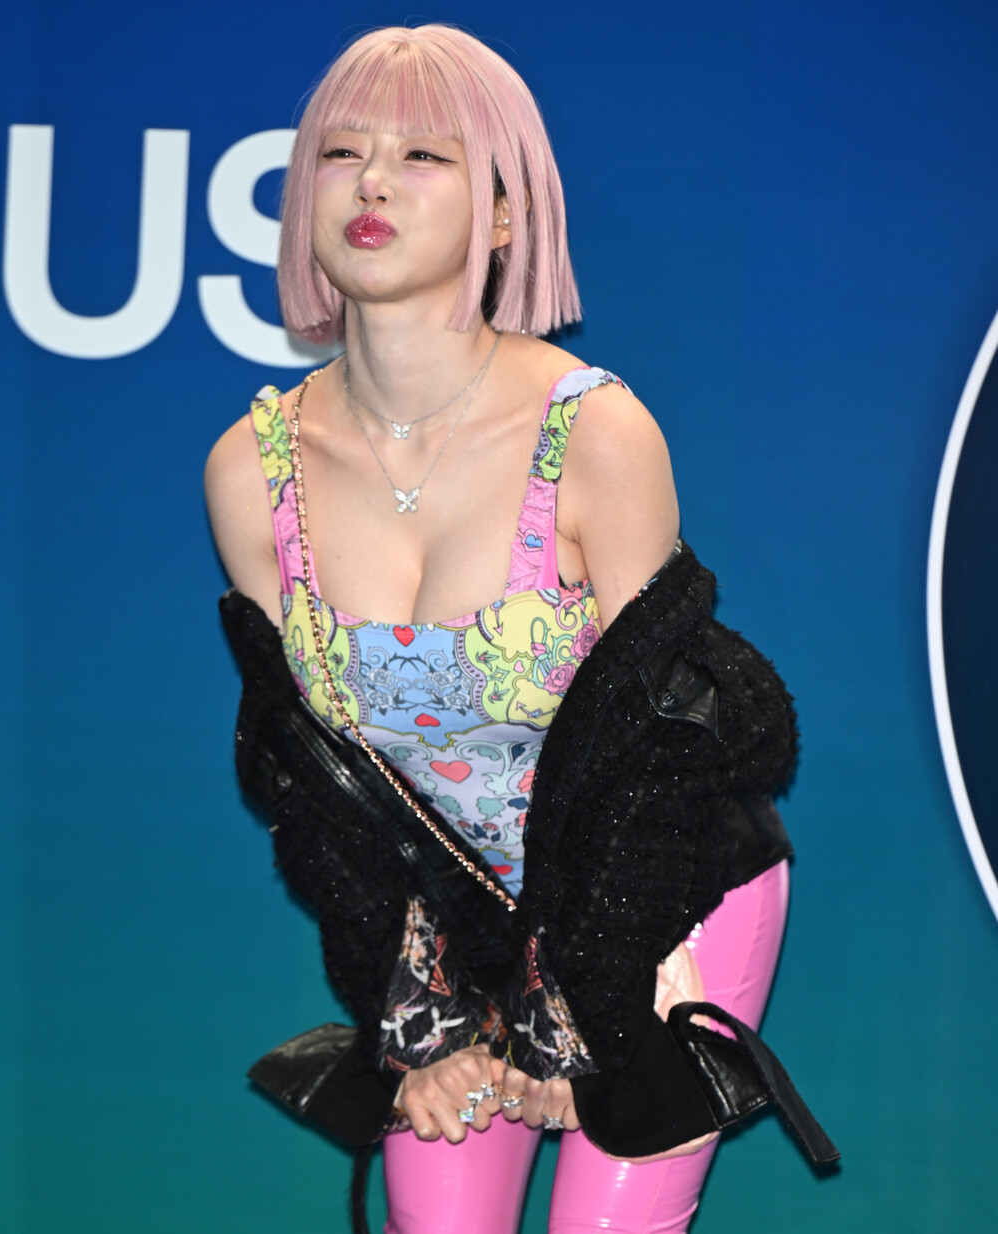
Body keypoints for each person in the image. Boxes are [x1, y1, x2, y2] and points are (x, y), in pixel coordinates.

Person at [206, 24, 831, 1234]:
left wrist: (589, 997)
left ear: (503, 213)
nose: (371, 182)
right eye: (340, 151)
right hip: (455, 937)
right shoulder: (250, 471)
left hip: (660, 903)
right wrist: (416, 1021)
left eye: (422, 155)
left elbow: (661, 750)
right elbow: (323, 800)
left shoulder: (593, 433)